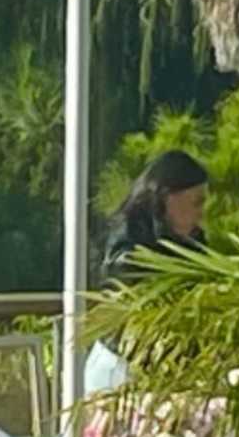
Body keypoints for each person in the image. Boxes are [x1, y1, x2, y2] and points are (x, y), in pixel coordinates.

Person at [83, 148, 210, 404]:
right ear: (168, 198)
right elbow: (125, 280)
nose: (201, 212)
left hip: (166, 372)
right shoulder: (126, 241)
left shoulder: (193, 242)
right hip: (122, 366)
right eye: (196, 202)